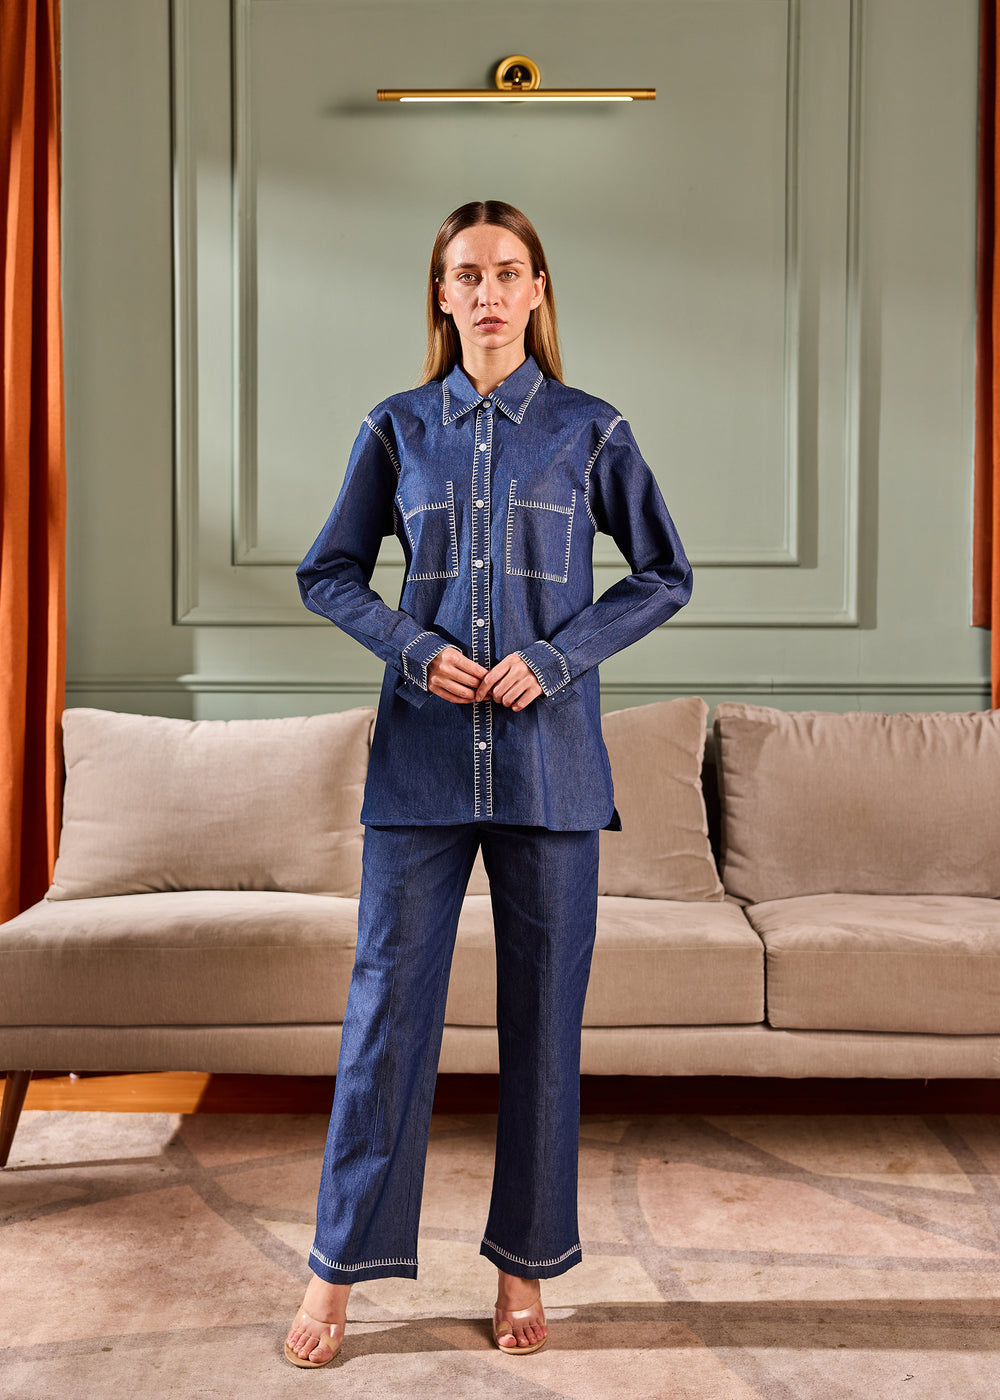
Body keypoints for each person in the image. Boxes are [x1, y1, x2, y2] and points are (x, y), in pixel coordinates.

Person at [284, 200, 692, 1367]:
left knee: (543, 1028)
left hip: (549, 769)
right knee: (384, 1021)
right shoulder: (396, 427)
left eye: (508, 272)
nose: (488, 293)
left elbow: (664, 572)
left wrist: (554, 659)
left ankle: (524, 1258)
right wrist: (414, 647)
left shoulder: (591, 430)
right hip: (418, 764)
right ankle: (336, 1267)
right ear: (441, 295)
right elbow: (329, 571)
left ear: (538, 289)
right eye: (466, 275)